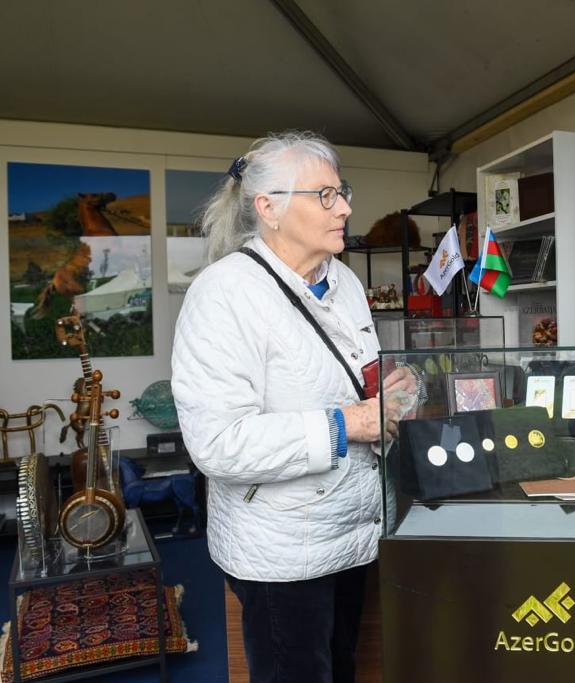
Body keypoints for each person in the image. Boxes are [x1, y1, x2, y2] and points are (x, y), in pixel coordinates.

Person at [172, 131, 417, 683]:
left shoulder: (345, 282)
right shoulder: (223, 294)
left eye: (343, 192)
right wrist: (347, 423)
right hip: (281, 551)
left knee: (343, 666)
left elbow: (355, 379)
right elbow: (218, 443)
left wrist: (392, 392)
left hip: (354, 533)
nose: (345, 208)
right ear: (269, 209)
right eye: (326, 195)